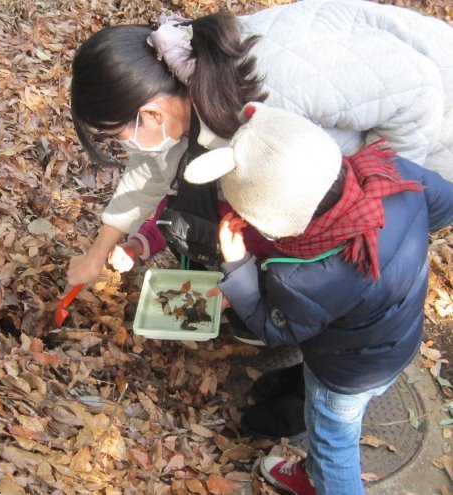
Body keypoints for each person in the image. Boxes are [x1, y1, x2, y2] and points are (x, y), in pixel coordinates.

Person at [66, 0, 453, 437]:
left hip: (433, 126)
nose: (126, 146)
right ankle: (304, 364)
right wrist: (98, 253)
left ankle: (312, 400)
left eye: (119, 135)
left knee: (345, 301)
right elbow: (149, 171)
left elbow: (417, 93)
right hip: (332, 188)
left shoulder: (278, 82)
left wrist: (376, 203)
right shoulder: (181, 85)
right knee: (319, 295)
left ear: (151, 113)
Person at [185, 101, 453, 495]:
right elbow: (443, 205)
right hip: (398, 337)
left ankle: (323, 481)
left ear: (276, 224)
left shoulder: (301, 276)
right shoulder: (389, 172)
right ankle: (313, 474)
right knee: (326, 419)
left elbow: (271, 327)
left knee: (333, 446)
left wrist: (238, 266)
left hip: (346, 372)